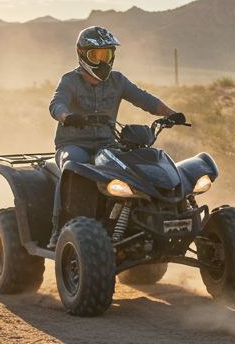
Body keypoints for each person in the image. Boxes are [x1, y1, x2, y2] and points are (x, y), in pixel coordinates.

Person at [48, 26, 181, 238]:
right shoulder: (70, 80)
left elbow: (144, 99)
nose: (102, 60)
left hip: (107, 145)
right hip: (73, 144)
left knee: (132, 170)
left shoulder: (117, 81)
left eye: (107, 54)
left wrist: (171, 113)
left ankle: (132, 223)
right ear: (82, 54)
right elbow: (57, 104)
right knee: (72, 168)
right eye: (96, 54)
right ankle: (58, 228)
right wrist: (67, 117)